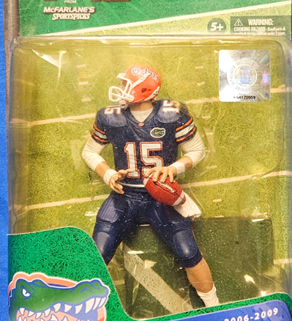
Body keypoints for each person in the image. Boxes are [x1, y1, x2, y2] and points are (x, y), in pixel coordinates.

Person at [81, 65, 219, 307]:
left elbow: (197, 150)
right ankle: (84, 307)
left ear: (145, 90)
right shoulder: (110, 116)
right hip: (124, 194)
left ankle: (214, 305)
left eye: (127, 84)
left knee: (188, 252)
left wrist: (173, 169)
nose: (121, 88)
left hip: (161, 196)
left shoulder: (171, 114)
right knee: (98, 253)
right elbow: (89, 151)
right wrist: (109, 174)